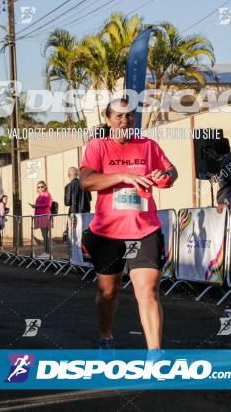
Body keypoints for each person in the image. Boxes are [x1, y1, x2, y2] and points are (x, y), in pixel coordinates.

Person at [79, 97, 178, 351]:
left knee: (147, 291)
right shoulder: (97, 146)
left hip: (144, 229)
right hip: (109, 232)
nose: (124, 121)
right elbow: (87, 181)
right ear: (108, 119)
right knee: (109, 292)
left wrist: (163, 174)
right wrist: (123, 175)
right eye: (119, 116)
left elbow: (172, 172)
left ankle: (155, 355)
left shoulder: (148, 146)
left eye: (129, 116)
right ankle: (106, 338)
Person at [29, 181, 52, 258]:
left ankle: (47, 253)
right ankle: (47, 252)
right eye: (39, 187)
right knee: (44, 235)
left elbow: (48, 204)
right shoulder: (40, 196)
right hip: (40, 216)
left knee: (45, 235)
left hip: (45, 216)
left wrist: (36, 206)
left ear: (45, 187)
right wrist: (35, 206)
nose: (40, 188)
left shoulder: (46, 194)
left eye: (42, 186)